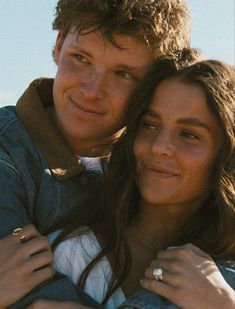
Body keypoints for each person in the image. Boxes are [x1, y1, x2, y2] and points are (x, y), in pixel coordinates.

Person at [0, 0, 191, 307]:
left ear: (154, 82)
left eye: (123, 74)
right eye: (80, 58)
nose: (92, 89)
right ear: (59, 45)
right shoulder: (7, 151)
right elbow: (34, 299)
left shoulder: (163, 162)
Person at [47, 53, 235, 309]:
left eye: (189, 134)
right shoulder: (70, 253)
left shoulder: (225, 279)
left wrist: (223, 303)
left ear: (226, 154)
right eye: (150, 125)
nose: (160, 148)